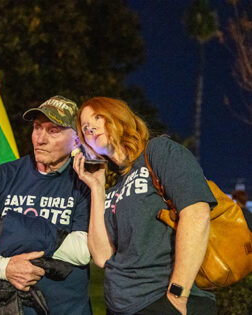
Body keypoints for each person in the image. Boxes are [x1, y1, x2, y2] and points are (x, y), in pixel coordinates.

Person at [72, 97, 217, 315]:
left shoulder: (158, 151)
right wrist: (96, 187)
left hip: (165, 300)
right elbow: (102, 256)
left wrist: (177, 296)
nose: (90, 127)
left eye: (98, 117)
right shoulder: (111, 185)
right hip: (121, 307)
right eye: (84, 127)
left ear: (118, 117)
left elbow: (197, 214)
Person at [0, 96, 92, 315]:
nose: (40, 139)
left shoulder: (85, 181)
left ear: (77, 140)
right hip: (6, 307)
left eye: (53, 131)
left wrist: (11, 236)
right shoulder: (3, 175)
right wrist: (5, 268)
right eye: (37, 128)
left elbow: (83, 250)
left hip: (66, 309)